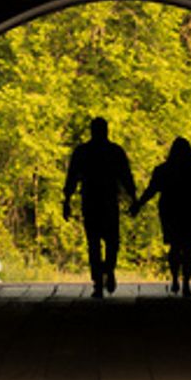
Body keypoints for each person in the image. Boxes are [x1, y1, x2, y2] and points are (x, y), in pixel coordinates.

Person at [63, 116, 136, 298]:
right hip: (109, 202)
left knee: (93, 243)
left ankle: (98, 280)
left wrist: (67, 201)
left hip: (90, 202)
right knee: (112, 242)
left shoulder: (82, 152)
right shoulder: (115, 151)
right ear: (106, 130)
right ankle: (108, 270)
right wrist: (133, 198)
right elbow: (126, 177)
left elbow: (72, 178)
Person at [131, 137, 191, 297]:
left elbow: (151, 190)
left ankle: (175, 278)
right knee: (189, 247)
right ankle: (186, 283)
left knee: (175, 245)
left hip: (171, 210)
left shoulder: (163, 170)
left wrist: (138, 204)